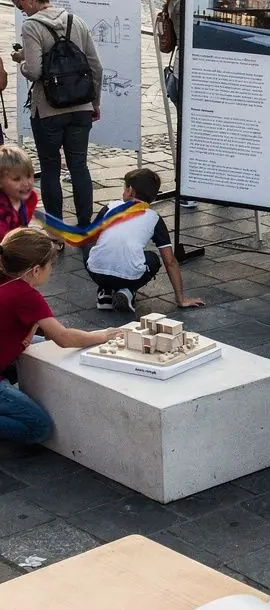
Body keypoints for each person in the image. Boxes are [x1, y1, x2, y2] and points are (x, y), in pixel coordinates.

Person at [0, 228, 121, 446]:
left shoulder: (7, 280)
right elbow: (64, 338)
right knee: (39, 428)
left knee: (41, 345)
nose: (52, 271)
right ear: (36, 270)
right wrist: (101, 336)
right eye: (51, 266)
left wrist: (31, 326)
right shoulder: (26, 295)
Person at [9, 0, 102, 229]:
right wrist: (94, 102)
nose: (22, 13)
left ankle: (56, 232)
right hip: (81, 107)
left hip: (48, 109)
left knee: (50, 168)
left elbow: (35, 71)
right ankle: (84, 226)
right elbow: (96, 66)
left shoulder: (32, 26)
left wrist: (21, 62)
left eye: (20, 6)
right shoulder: (76, 21)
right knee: (79, 166)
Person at [85, 167, 204, 314]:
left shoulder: (110, 207)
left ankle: (105, 293)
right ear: (153, 198)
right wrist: (181, 299)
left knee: (91, 249)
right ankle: (128, 291)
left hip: (96, 272)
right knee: (153, 259)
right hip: (129, 277)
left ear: (130, 191)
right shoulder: (154, 218)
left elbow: (89, 236)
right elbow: (170, 261)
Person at [0, 145, 37, 240]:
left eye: (29, 176)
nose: (26, 183)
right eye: (16, 179)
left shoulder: (30, 198)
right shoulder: (2, 210)